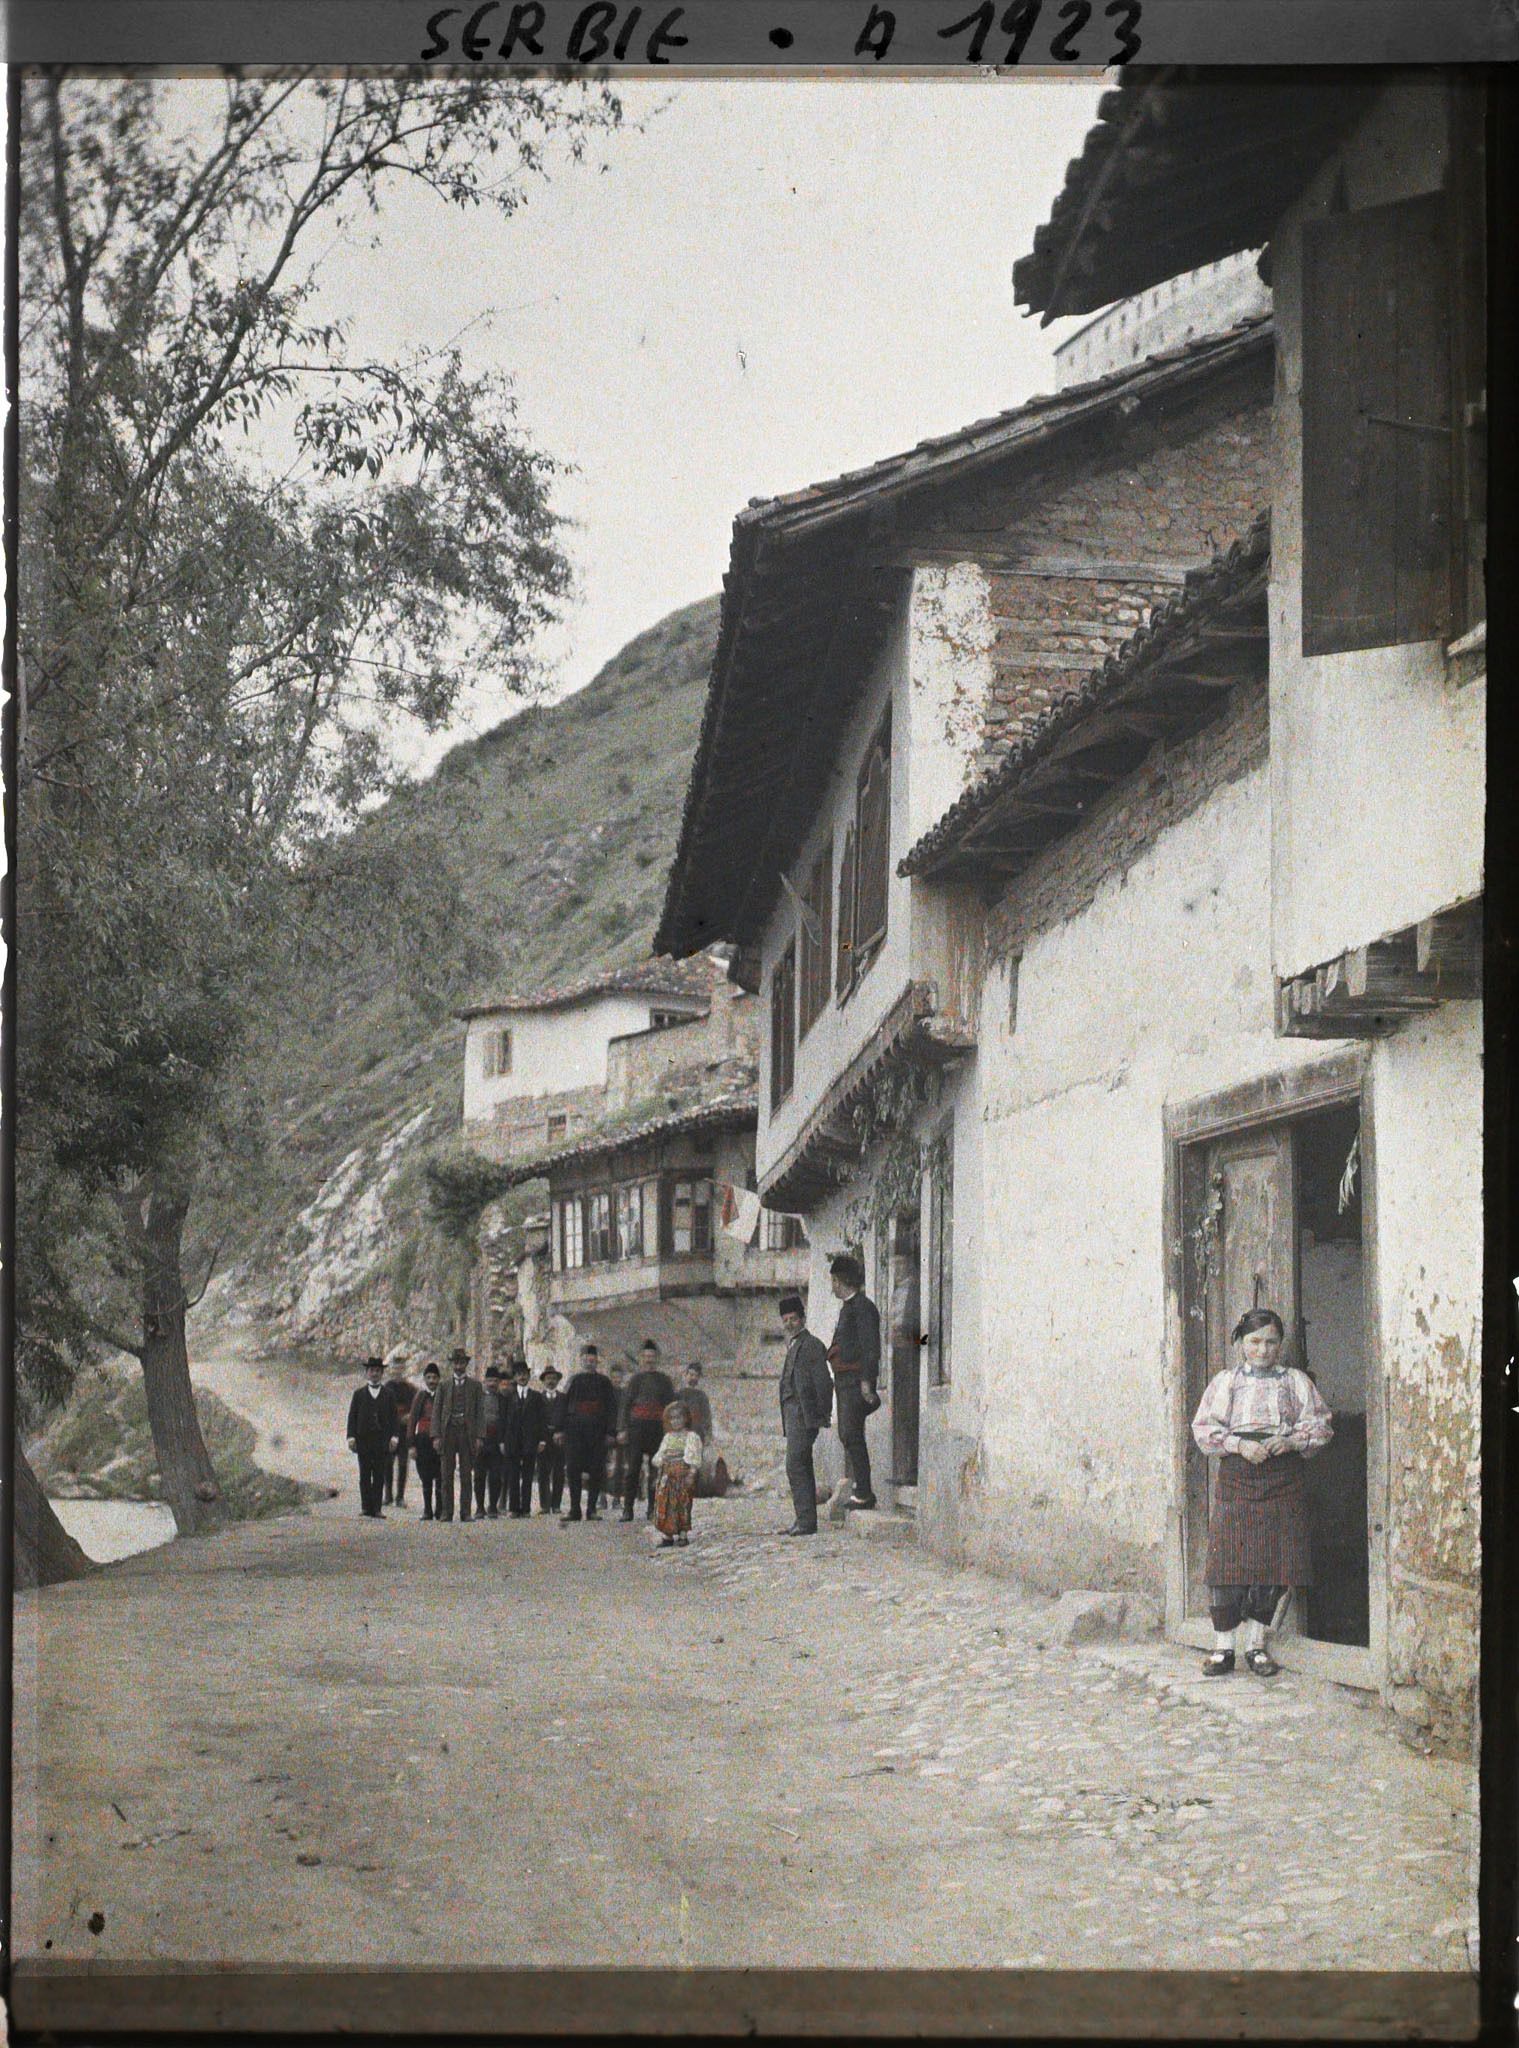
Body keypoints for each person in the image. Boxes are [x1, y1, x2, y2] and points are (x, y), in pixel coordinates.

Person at [1191, 1307, 1334, 1679]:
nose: (1263, 1349)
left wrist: (1289, 1441)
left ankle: (1255, 1646)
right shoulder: (1227, 1381)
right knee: (1228, 1564)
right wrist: (1239, 1445)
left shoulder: (1295, 1381)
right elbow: (1204, 1427)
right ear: (1241, 1343)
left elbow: (1320, 1425)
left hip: (1282, 1475)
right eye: (1254, 1341)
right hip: (1238, 1474)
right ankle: (1223, 1648)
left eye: (1271, 1342)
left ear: (1280, 1344)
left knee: (1273, 1562)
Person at [827, 1252, 882, 1510]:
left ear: (840, 1280)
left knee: (851, 1433)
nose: (832, 1286)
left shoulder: (863, 1307)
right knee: (847, 1434)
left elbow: (871, 1348)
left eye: (834, 1281)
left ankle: (865, 1492)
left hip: (855, 1380)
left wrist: (867, 1382)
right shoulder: (849, 1308)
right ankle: (861, 1489)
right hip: (844, 1381)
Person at [777, 1293, 833, 1535]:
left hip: (803, 1414)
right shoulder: (794, 1345)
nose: (790, 1323)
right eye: (786, 1320)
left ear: (803, 1318)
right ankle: (804, 1519)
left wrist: (822, 1415)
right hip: (792, 1414)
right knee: (801, 1465)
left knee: (795, 1465)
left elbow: (823, 1382)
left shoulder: (811, 1345)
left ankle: (806, 1521)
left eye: (794, 1319)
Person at [559, 1344, 619, 1523]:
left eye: (593, 1360)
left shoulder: (604, 1382)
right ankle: (575, 1509)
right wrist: (560, 1429)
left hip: (597, 1432)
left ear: (597, 1362)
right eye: (586, 1360)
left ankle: (591, 1509)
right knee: (573, 1469)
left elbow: (611, 1409)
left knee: (596, 1469)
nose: (589, 1362)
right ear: (582, 1361)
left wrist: (610, 1432)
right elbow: (563, 1406)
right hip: (575, 1432)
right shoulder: (573, 1381)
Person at [620, 1339, 676, 1522]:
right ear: (641, 1359)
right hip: (637, 1428)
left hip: (657, 1429)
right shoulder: (635, 1380)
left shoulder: (664, 1381)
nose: (649, 1360)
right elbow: (625, 1406)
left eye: (652, 1356)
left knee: (656, 1470)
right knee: (633, 1469)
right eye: (646, 1356)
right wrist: (622, 1429)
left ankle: (653, 1508)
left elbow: (671, 1406)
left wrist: (672, 1430)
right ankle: (627, 1509)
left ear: (657, 1359)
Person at [345, 1355, 401, 1519]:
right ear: (367, 1373)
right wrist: (351, 1437)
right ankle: (365, 1507)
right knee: (364, 1475)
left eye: (378, 1371)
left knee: (378, 1475)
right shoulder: (359, 1394)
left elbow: (394, 1418)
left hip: (381, 1441)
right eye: (372, 1371)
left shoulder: (389, 1395)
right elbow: (352, 1417)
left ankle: (377, 1508)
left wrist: (395, 1437)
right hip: (363, 1441)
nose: (375, 1374)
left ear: (382, 1373)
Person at [432, 1346, 482, 1523]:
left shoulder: (475, 1386)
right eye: (456, 1362)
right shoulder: (444, 1386)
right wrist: (436, 1436)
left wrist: (479, 1437)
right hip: (448, 1432)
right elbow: (436, 1412)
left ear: (466, 1364)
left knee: (467, 1474)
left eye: (462, 1362)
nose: (459, 1366)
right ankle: (447, 1512)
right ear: (452, 1364)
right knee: (446, 1474)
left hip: (467, 1433)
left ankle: (466, 1512)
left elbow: (479, 1413)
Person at [651, 1401, 703, 1548]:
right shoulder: (668, 1437)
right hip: (668, 1475)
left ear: (686, 1419)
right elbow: (660, 1454)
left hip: (682, 1474)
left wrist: (691, 1473)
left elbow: (694, 1457)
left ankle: (682, 1534)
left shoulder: (691, 1437)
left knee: (682, 1502)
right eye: (672, 1418)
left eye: (679, 1418)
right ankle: (667, 1534)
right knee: (666, 1503)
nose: (675, 1422)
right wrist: (661, 1460)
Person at [503, 1358, 546, 1518]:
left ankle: (526, 1508)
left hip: (530, 1441)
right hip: (513, 1441)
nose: (522, 1377)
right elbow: (503, 1420)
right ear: (514, 1377)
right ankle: (514, 1508)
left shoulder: (535, 1397)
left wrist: (542, 1440)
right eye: (519, 1375)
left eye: (524, 1374)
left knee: (527, 1475)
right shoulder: (508, 1397)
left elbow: (542, 1420)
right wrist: (502, 1441)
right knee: (513, 1475)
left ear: (528, 1376)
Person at [383, 1356, 420, 1508]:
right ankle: (388, 1496)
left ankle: (400, 1497)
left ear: (404, 1370)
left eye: (401, 1368)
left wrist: (411, 1416)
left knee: (403, 1464)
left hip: (405, 1432)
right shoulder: (386, 1388)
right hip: (390, 1431)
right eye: (395, 1368)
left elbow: (417, 1408)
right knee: (387, 1464)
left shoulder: (411, 1389)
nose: (398, 1372)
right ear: (391, 1370)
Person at [408, 1362, 442, 1521]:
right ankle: (427, 1509)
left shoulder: (444, 1396)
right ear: (424, 1379)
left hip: (439, 1441)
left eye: (434, 1377)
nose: (432, 1381)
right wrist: (411, 1445)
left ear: (439, 1379)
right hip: (422, 1441)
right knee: (426, 1477)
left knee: (440, 1476)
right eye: (428, 1377)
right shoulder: (420, 1397)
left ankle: (440, 1509)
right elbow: (412, 1422)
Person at [474, 1365, 507, 1518]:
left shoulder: (503, 1400)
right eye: (489, 1380)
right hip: (480, 1441)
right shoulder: (477, 1398)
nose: (492, 1384)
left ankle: (493, 1506)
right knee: (479, 1476)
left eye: (495, 1381)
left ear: (499, 1382)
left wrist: (503, 1441)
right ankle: (480, 1507)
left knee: (495, 1476)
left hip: (496, 1442)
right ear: (484, 1381)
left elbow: (506, 1421)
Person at [536, 1363, 568, 1515]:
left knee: (559, 1472)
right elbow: (535, 1421)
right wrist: (540, 1439)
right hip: (543, 1440)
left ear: (558, 1381)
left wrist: (562, 1432)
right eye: (548, 1378)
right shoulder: (537, 1398)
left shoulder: (564, 1398)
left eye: (554, 1378)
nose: (551, 1381)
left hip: (559, 1439)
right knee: (543, 1473)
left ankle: (556, 1505)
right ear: (543, 1380)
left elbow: (568, 1418)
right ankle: (544, 1505)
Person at [600, 1361, 629, 1512]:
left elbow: (626, 1414)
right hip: (606, 1433)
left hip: (620, 1433)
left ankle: (617, 1498)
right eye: (614, 1377)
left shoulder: (625, 1394)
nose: (617, 1380)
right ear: (610, 1377)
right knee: (601, 1465)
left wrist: (622, 1431)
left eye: (619, 1377)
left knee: (619, 1467)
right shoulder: (604, 1393)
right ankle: (602, 1497)